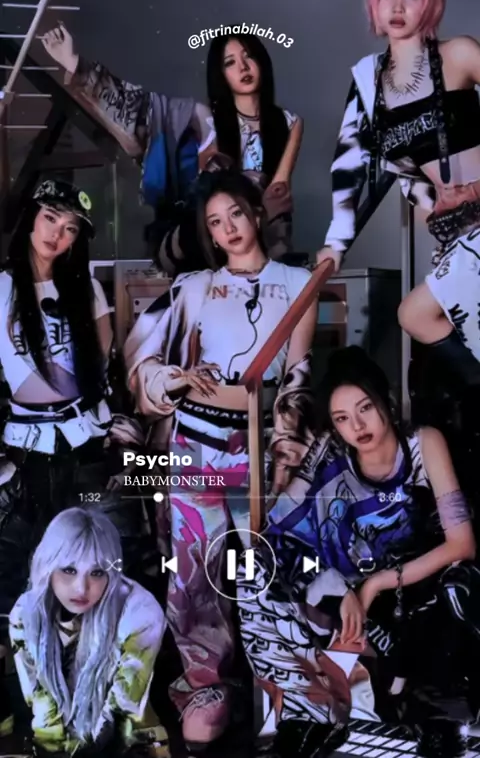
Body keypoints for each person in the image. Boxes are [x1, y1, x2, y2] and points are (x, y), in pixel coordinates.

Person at [123, 167, 317, 750]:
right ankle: (205, 686)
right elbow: (138, 355)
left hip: (258, 446)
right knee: (192, 574)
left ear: (256, 213)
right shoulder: (193, 287)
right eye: (214, 222)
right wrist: (175, 377)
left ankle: (281, 685)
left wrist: (286, 444)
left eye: (235, 213)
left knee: (269, 568)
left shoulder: (298, 281)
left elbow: (298, 376)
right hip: (194, 444)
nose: (228, 228)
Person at [237, 347, 479, 758]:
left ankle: (428, 711)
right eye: (342, 418)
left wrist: (375, 585)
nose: (357, 426)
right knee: (253, 570)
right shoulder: (330, 452)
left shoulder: (422, 443)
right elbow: (279, 530)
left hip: (418, 588)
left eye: (365, 408)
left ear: (386, 400)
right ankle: (309, 714)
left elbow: (462, 543)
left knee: (458, 590)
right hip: (348, 588)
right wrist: (337, 587)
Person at [0, 179, 137, 741]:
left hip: (84, 446)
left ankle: (94, 706)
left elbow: (102, 369)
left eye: (71, 227)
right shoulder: (3, 287)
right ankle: (25, 704)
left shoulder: (88, 290)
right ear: (31, 218)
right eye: (50, 219)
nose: (58, 233)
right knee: (21, 579)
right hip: (23, 452)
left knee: (93, 573)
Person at [316, 0, 480, 385]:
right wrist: (335, 244)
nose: (398, 7)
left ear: (431, 1)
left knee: (415, 314)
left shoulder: (459, 54)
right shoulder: (369, 83)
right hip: (454, 236)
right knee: (418, 321)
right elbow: (349, 166)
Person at [40, 24, 217, 276]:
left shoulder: (264, 133)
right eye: (228, 64)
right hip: (189, 252)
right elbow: (136, 109)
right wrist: (72, 62)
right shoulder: (189, 121)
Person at [9, 507, 169, 757]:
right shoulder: (25, 615)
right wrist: (54, 749)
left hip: (127, 740)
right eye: (69, 570)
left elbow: (122, 707)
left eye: (96, 573)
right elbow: (42, 703)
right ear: (47, 565)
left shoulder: (141, 612)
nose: (81, 588)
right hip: (58, 741)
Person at [205, 31, 304, 259]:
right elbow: (210, 191)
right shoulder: (209, 122)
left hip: (270, 220)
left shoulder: (290, 122)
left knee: (278, 203)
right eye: (230, 62)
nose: (243, 67)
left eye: (249, 56)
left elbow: (279, 187)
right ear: (220, 74)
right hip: (225, 227)